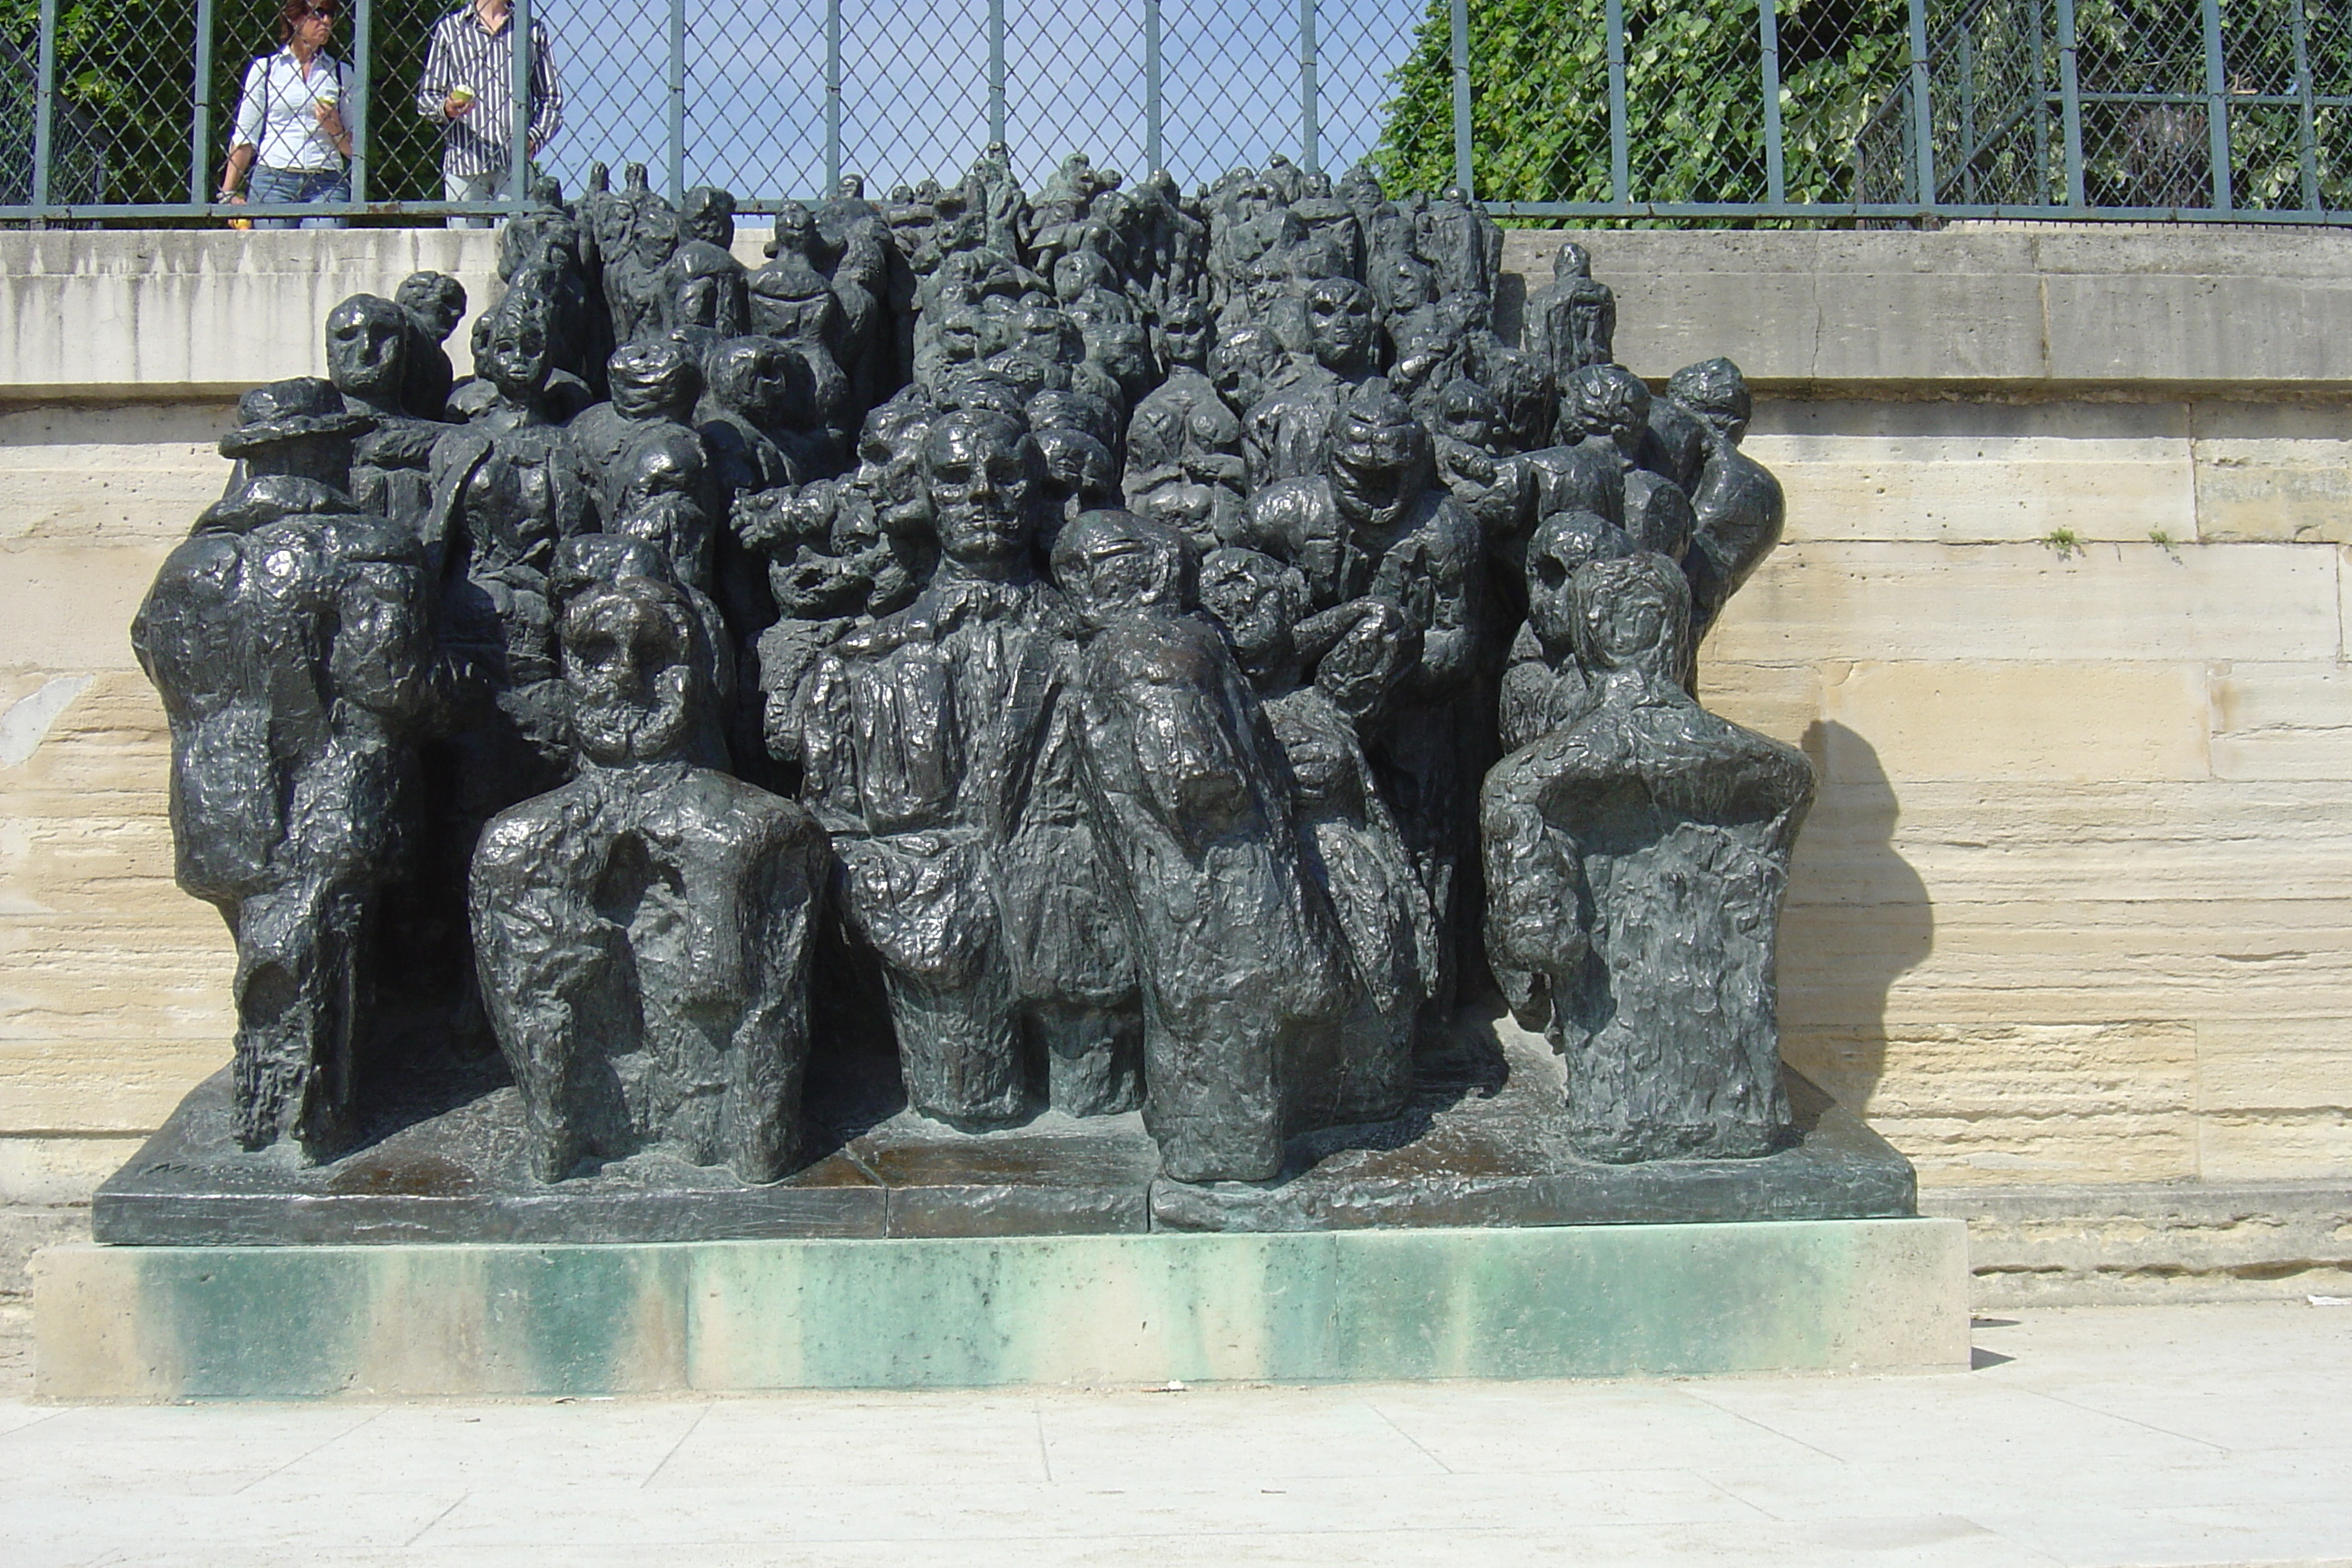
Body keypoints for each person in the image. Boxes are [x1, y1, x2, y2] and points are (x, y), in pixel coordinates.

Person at [415, 0, 563, 228]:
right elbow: (426, 98)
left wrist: (533, 139)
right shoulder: (450, 29)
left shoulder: (532, 30)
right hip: (464, 162)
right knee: (464, 254)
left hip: (515, 166)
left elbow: (551, 98)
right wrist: (446, 107)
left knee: (515, 251)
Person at [215, 0, 354, 230]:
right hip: (273, 180)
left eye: (330, 14)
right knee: (273, 259)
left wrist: (336, 130)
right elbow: (245, 135)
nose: (327, 21)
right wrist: (228, 193)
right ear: (294, 18)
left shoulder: (341, 73)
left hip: (326, 182)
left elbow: (356, 149)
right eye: (318, 14)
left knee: (327, 253)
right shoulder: (266, 69)